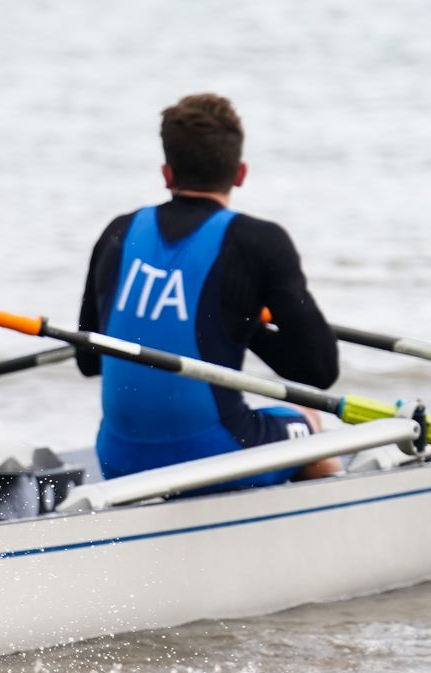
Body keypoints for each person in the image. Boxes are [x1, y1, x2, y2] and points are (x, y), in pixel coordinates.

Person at [77, 93, 340, 489]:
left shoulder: (118, 231)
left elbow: (87, 360)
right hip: (213, 454)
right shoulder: (259, 241)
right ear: (241, 173)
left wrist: (225, 320)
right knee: (309, 419)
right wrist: (244, 322)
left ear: (167, 174)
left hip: (118, 457)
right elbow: (319, 371)